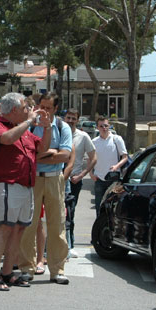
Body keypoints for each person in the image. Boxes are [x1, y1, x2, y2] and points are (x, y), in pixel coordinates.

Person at [0, 93, 51, 290]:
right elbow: (6, 139)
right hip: (8, 184)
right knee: (4, 228)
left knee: (19, 229)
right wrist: (30, 122)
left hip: (25, 186)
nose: (28, 111)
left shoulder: (24, 131)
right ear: (13, 110)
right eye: (24, 108)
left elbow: (42, 148)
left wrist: (45, 127)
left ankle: (6, 272)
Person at [19, 92, 72, 285]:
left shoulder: (62, 127)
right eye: (42, 107)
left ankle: (57, 269)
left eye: (49, 108)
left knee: (56, 224)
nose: (44, 111)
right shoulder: (30, 125)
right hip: (33, 179)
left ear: (56, 109)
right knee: (29, 224)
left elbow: (65, 155)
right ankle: (27, 268)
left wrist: (40, 156)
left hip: (54, 179)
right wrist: (50, 153)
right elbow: (26, 154)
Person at [63, 109, 97, 255]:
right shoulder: (58, 133)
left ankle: (70, 245)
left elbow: (93, 158)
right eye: (68, 118)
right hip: (58, 178)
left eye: (73, 119)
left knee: (70, 213)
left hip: (75, 180)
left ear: (77, 120)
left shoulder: (83, 137)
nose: (70, 121)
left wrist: (82, 174)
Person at [90, 117, 128, 212]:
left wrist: (116, 166)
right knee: (99, 208)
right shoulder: (94, 142)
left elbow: (125, 157)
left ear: (109, 126)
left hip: (113, 179)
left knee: (113, 208)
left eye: (106, 125)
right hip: (99, 179)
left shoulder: (117, 139)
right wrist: (91, 173)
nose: (104, 128)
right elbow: (90, 159)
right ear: (97, 127)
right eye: (101, 126)